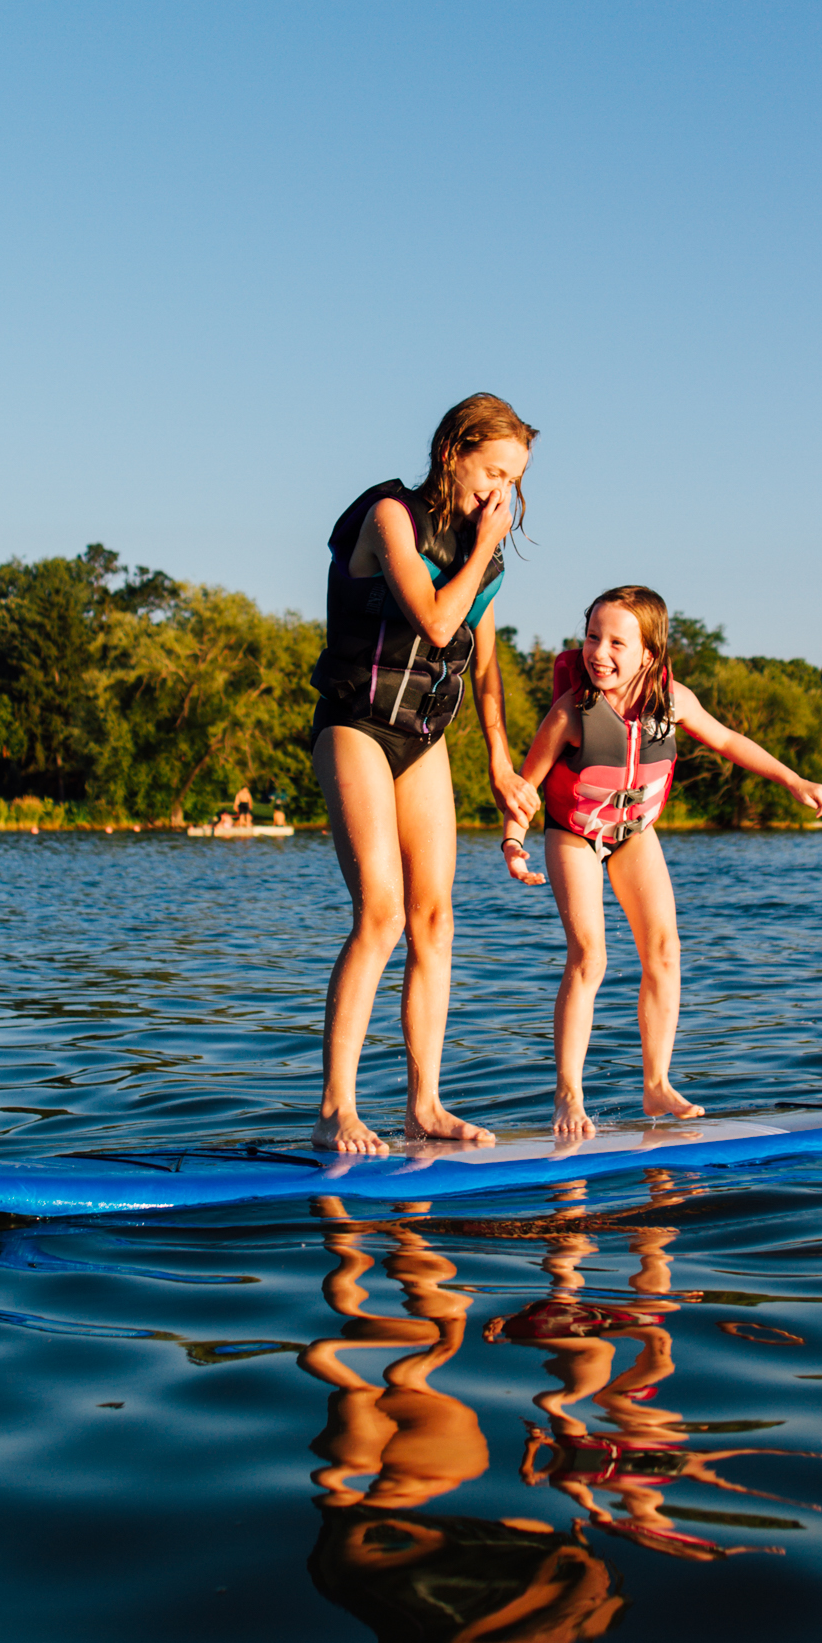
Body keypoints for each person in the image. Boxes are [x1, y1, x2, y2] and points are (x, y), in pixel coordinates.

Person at [502, 586, 822, 1136]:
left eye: (616, 642)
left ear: (650, 655)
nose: (598, 652)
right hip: (575, 833)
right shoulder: (571, 712)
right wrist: (513, 844)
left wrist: (794, 780)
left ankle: (655, 1084)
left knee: (664, 949)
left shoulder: (672, 700)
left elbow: (728, 740)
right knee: (590, 957)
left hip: (633, 831)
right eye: (592, 637)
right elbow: (526, 787)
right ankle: (568, 1096)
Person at [309, 394, 540, 1155]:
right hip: (356, 727)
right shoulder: (389, 518)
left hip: (423, 737)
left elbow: (482, 659)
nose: (500, 491)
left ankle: (424, 1107)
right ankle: (336, 1109)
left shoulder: (483, 546)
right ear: (453, 450)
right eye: (493, 470)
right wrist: (480, 551)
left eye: (514, 478)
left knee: (434, 918)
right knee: (381, 914)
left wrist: (501, 760)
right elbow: (437, 621)